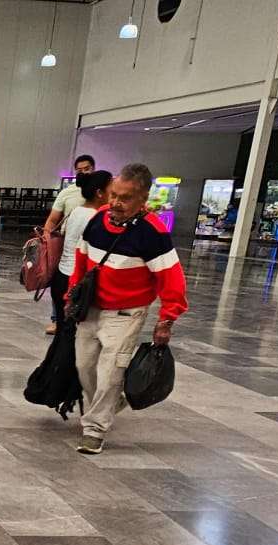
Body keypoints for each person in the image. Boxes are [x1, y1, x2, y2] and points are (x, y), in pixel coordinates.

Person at [66, 163, 187, 455]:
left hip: (126, 313)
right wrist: (72, 292)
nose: (116, 203)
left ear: (143, 198)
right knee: (84, 367)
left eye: (125, 198)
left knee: (110, 371)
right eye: (114, 195)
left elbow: (171, 277)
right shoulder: (97, 220)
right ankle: (108, 404)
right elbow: (81, 259)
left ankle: (94, 429)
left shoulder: (153, 232)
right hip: (91, 308)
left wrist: (167, 319)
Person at [42, 154, 98, 333]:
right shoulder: (67, 194)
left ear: (93, 169)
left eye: (87, 169)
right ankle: (57, 319)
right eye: (79, 170)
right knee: (62, 282)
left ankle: (75, 320)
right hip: (68, 246)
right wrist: (47, 240)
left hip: (90, 251)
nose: (83, 173)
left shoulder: (101, 195)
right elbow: (53, 219)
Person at [51, 170, 112, 325]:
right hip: (77, 282)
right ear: (99, 193)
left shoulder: (76, 211)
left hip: (61, 276)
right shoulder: (95, 217)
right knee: (73, 333)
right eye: (112, 191)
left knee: (62, 331)